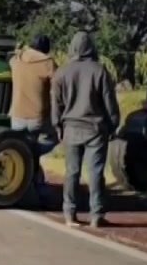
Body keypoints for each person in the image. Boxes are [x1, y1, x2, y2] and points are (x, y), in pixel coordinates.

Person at [51, 31, 120, 228]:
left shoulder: (61, 73)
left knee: (71, 172)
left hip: (70, 128)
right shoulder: (100, 71)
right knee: (96, 172)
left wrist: (57, 125)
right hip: (95, 128)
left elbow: (56, 104)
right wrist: (113, 124)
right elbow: (110, 103)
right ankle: (96, 214)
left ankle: (69, 213)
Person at [8, 34, 58, 200]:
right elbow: (59, 86)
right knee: (53, 137)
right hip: (37, 117)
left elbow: (10, 61)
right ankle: (35, 168)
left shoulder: (16, 60)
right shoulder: (48, 63)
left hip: (16, 115)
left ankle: (26, 177)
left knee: (22, 148)